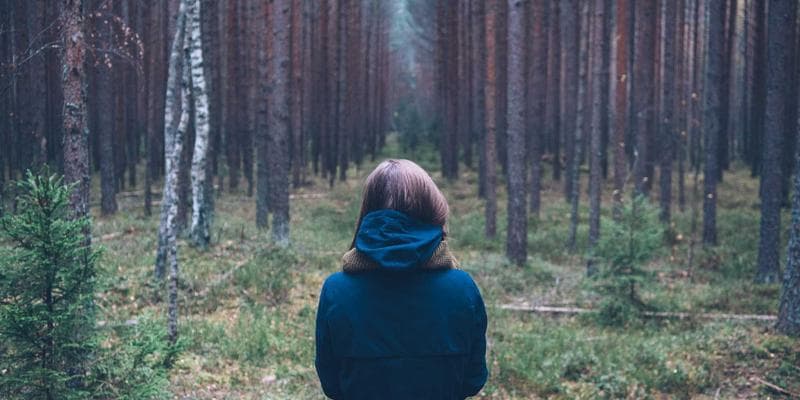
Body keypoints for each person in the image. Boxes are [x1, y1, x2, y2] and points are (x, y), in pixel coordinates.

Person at [315, 159, 488, 400]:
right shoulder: (463, 288)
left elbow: (332, 385)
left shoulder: (336, 290)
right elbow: (473, 380)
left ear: (367, 210)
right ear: (431, 210)